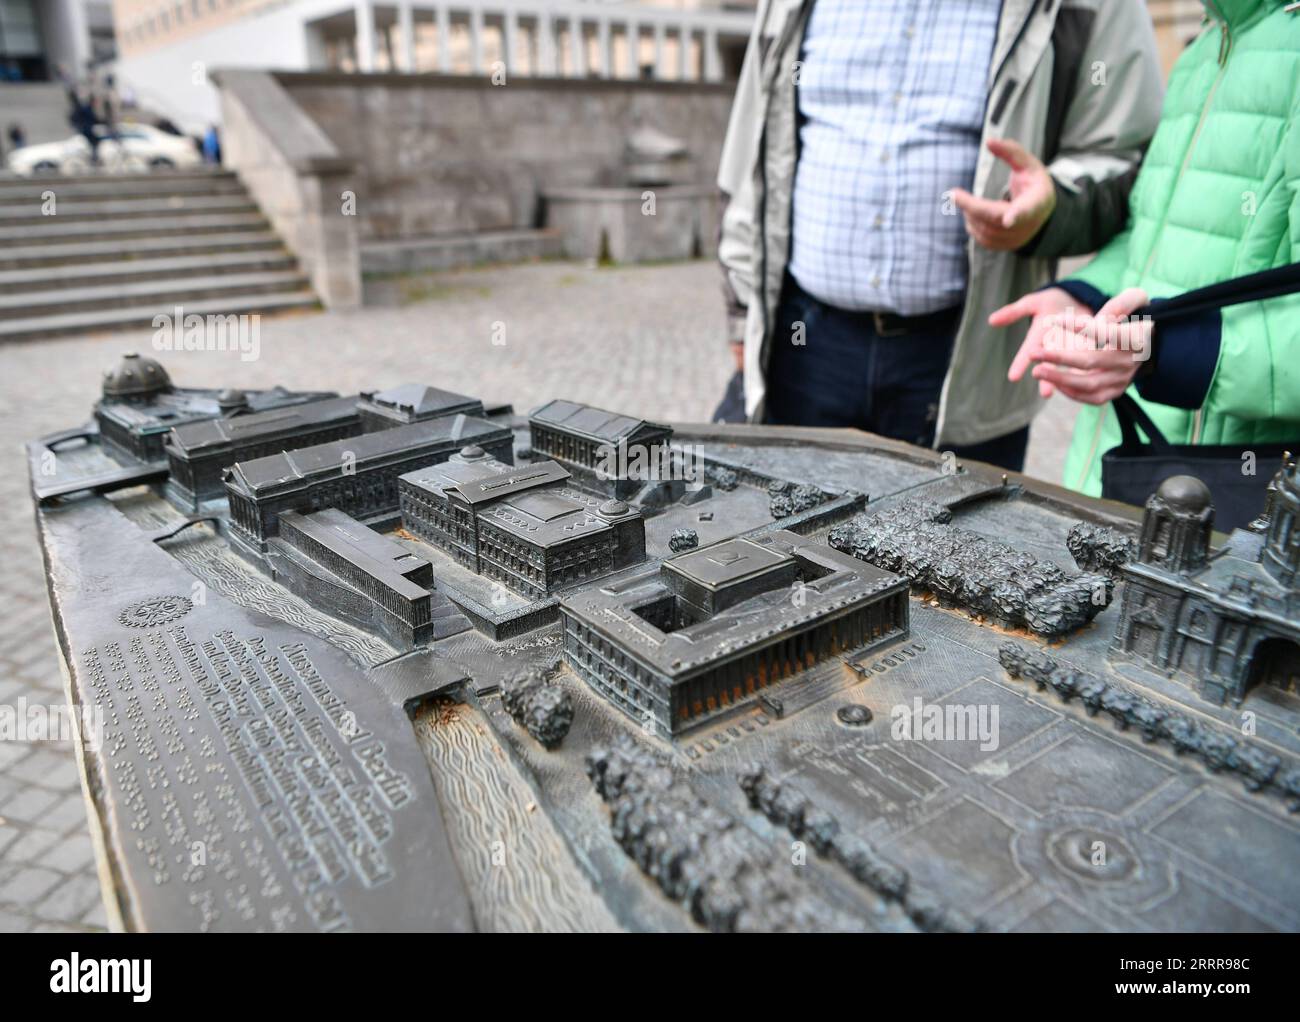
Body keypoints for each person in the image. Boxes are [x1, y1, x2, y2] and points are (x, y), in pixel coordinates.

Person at [715, 0, 1164, 471]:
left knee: (959, 541)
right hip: (803, 340)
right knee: (776, 534)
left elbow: (1126, 154)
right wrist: (740, 307)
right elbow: (750, 139)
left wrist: (1052, 206)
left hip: (967, 353)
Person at [992, 0, 1300, 496]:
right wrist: (1083, 295)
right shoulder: (1203, 50)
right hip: (1122, 471)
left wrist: (1164, 351)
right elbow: (1150, 242)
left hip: (1233, 509)